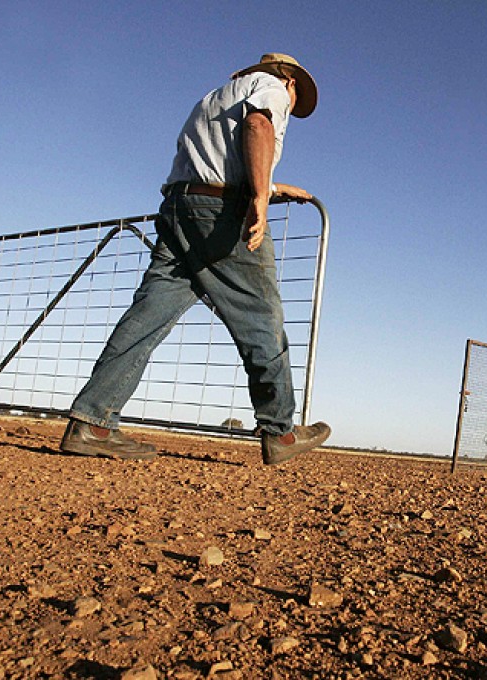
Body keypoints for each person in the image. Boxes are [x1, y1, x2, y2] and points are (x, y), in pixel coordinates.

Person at [59, 53, 331, 464]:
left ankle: (92, 423)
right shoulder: (271, 89)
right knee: (261, 317)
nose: (293, 103)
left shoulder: (215, 98)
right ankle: (280, 431)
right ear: (289, 81)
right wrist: (259, 197)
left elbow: (212, 164)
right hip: (222, 215)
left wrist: (271, 186)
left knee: (148, 317)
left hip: (179, 210)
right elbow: (258, 126)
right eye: (297, 96)